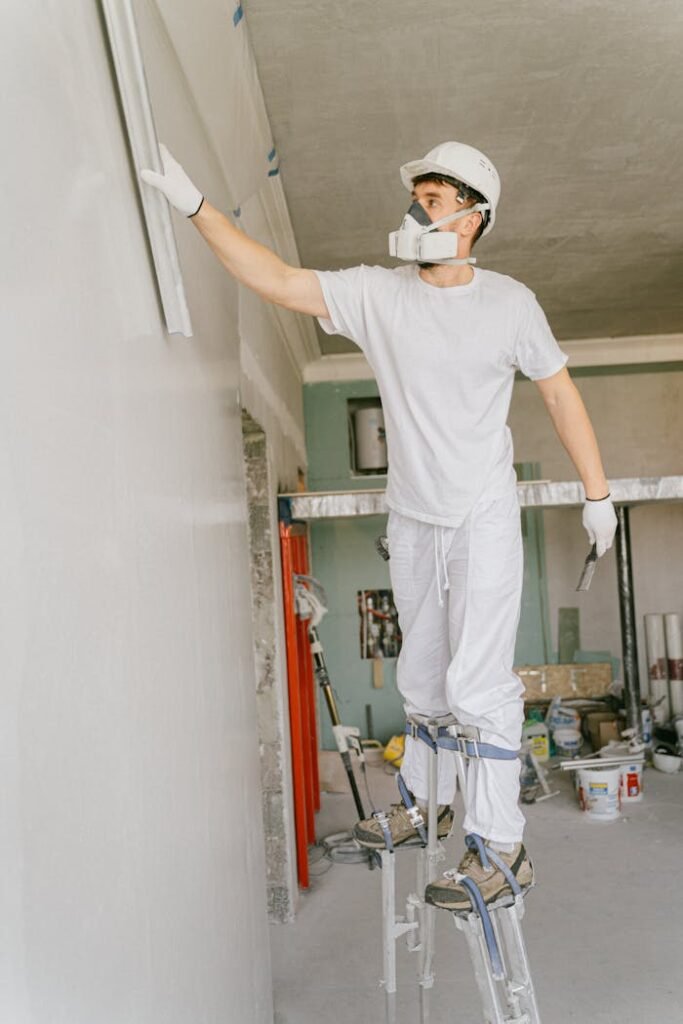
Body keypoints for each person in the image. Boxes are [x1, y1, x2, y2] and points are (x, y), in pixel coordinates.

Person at [141, 141, 618, 910]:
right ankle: (425, 801)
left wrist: (597, 495)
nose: (413, 212)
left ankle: (501, 847)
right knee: (422, 674)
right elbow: (278, 280)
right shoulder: (378, 294)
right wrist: (197, 207)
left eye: (430, 201)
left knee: (476, 682)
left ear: (471, 217)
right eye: (417, 197)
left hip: (481, 513)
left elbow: (560, 394)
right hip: (415, 514)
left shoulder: (509, 303)